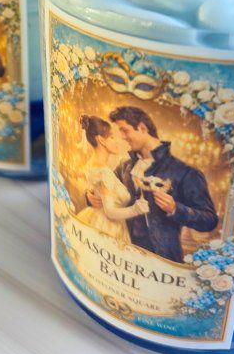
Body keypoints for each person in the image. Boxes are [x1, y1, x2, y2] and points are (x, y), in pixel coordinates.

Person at [85, 106, 218, 262]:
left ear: (142, 128)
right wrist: (90, 196)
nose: (123, 137)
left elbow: (209, 220)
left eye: (125, 131)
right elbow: (105, 189)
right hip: (124, 255)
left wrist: (175, 208)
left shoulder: (184, 173)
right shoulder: (124, 167)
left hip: (162, 261)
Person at [74, 116, 150, 246]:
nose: (118, 141)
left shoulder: (95, 165)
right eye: (112, 137)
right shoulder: (109, 170)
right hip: (108, 228)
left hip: (142, 237)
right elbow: (109, 210)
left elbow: (104, 189)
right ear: (101, 140)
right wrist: (136, 209)